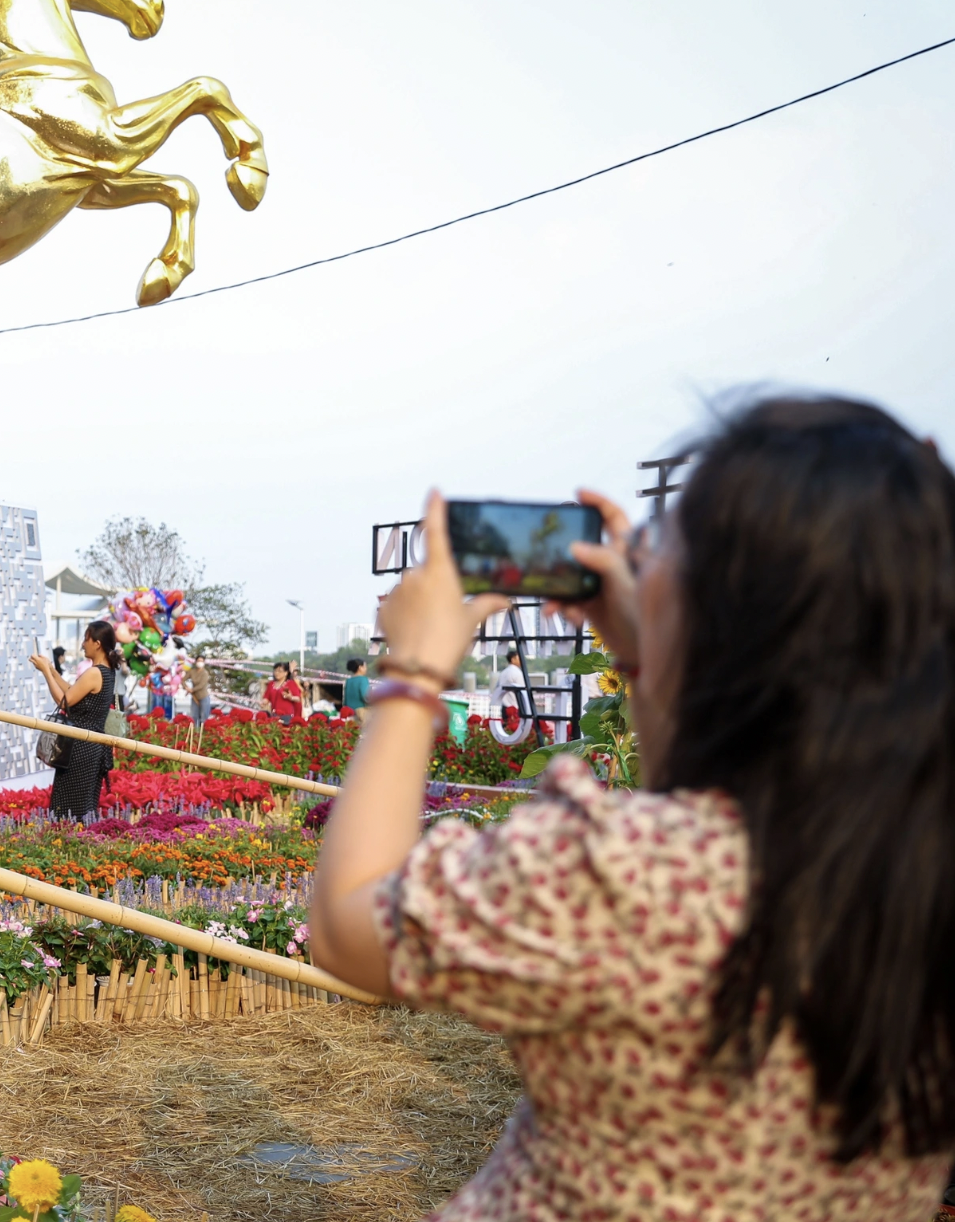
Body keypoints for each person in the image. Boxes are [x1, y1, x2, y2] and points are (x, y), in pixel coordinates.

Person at [310, 398, 955, 1219]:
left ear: (729, 619)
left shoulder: (625, 876)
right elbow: (708, 794)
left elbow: (344, 923)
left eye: (659, 554)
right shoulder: (915, 866)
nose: (640, 568)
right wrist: (648, 661)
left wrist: (410, 674)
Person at [31, 619, 120, 818]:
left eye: (86, 639)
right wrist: (53, 671)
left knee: (68, 807)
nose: (82, 644)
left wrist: (45, 672)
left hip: (79, 747)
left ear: (97, 643)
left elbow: (65, 702)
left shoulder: (94, 673)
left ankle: (68, 842)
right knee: (83, 806)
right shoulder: (107, 672)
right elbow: (73, 692)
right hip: (92, 746)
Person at [489, 647, 527, 731]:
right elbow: (523, 691)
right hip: (516, 707)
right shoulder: (517, 673)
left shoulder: (503, 672)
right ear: (513, 659)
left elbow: (497, 689)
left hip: (505, 707)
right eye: (519, 658)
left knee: (505, 730)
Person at [187, 651, 212, 728]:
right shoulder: (192, 671)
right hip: (194, 697)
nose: (200, 663)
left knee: (203, 718)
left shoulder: (205, 673)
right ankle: (194, 736)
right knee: (194, 717)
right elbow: (182, 680)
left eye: (202, 661)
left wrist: (192, 689)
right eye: (198, 661)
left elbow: (202, 685)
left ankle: (203, 736)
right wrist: (186, 687)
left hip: (204, 697)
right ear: (195, 662)